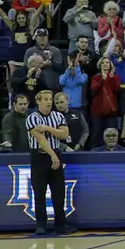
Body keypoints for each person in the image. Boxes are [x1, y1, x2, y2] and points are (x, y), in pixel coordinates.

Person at [26, 88, 72, 235]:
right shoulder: (32, 117)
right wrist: (53, 155)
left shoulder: (58, 116)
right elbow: (41, 139)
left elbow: (64, 134)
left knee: (59, 191)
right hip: (39, 156)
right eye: (45, 99)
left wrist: (47, 128)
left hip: (56, 154)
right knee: (39, 192)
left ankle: (61, 224)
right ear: (38, 101)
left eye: (50, 99)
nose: (48, 102)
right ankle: (41, 224)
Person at [89, 55, 123, 142]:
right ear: (100, 65)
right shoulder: (96, 77)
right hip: (97, 111)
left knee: (111, 133)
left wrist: (111, 78)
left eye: (107, 63)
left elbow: (117, 89)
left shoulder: (115, 77)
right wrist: (102, 80)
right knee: (96, 133)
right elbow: (93, 89)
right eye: (103, 63)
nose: (105, 64)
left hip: (111, 111)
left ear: (110, 65)